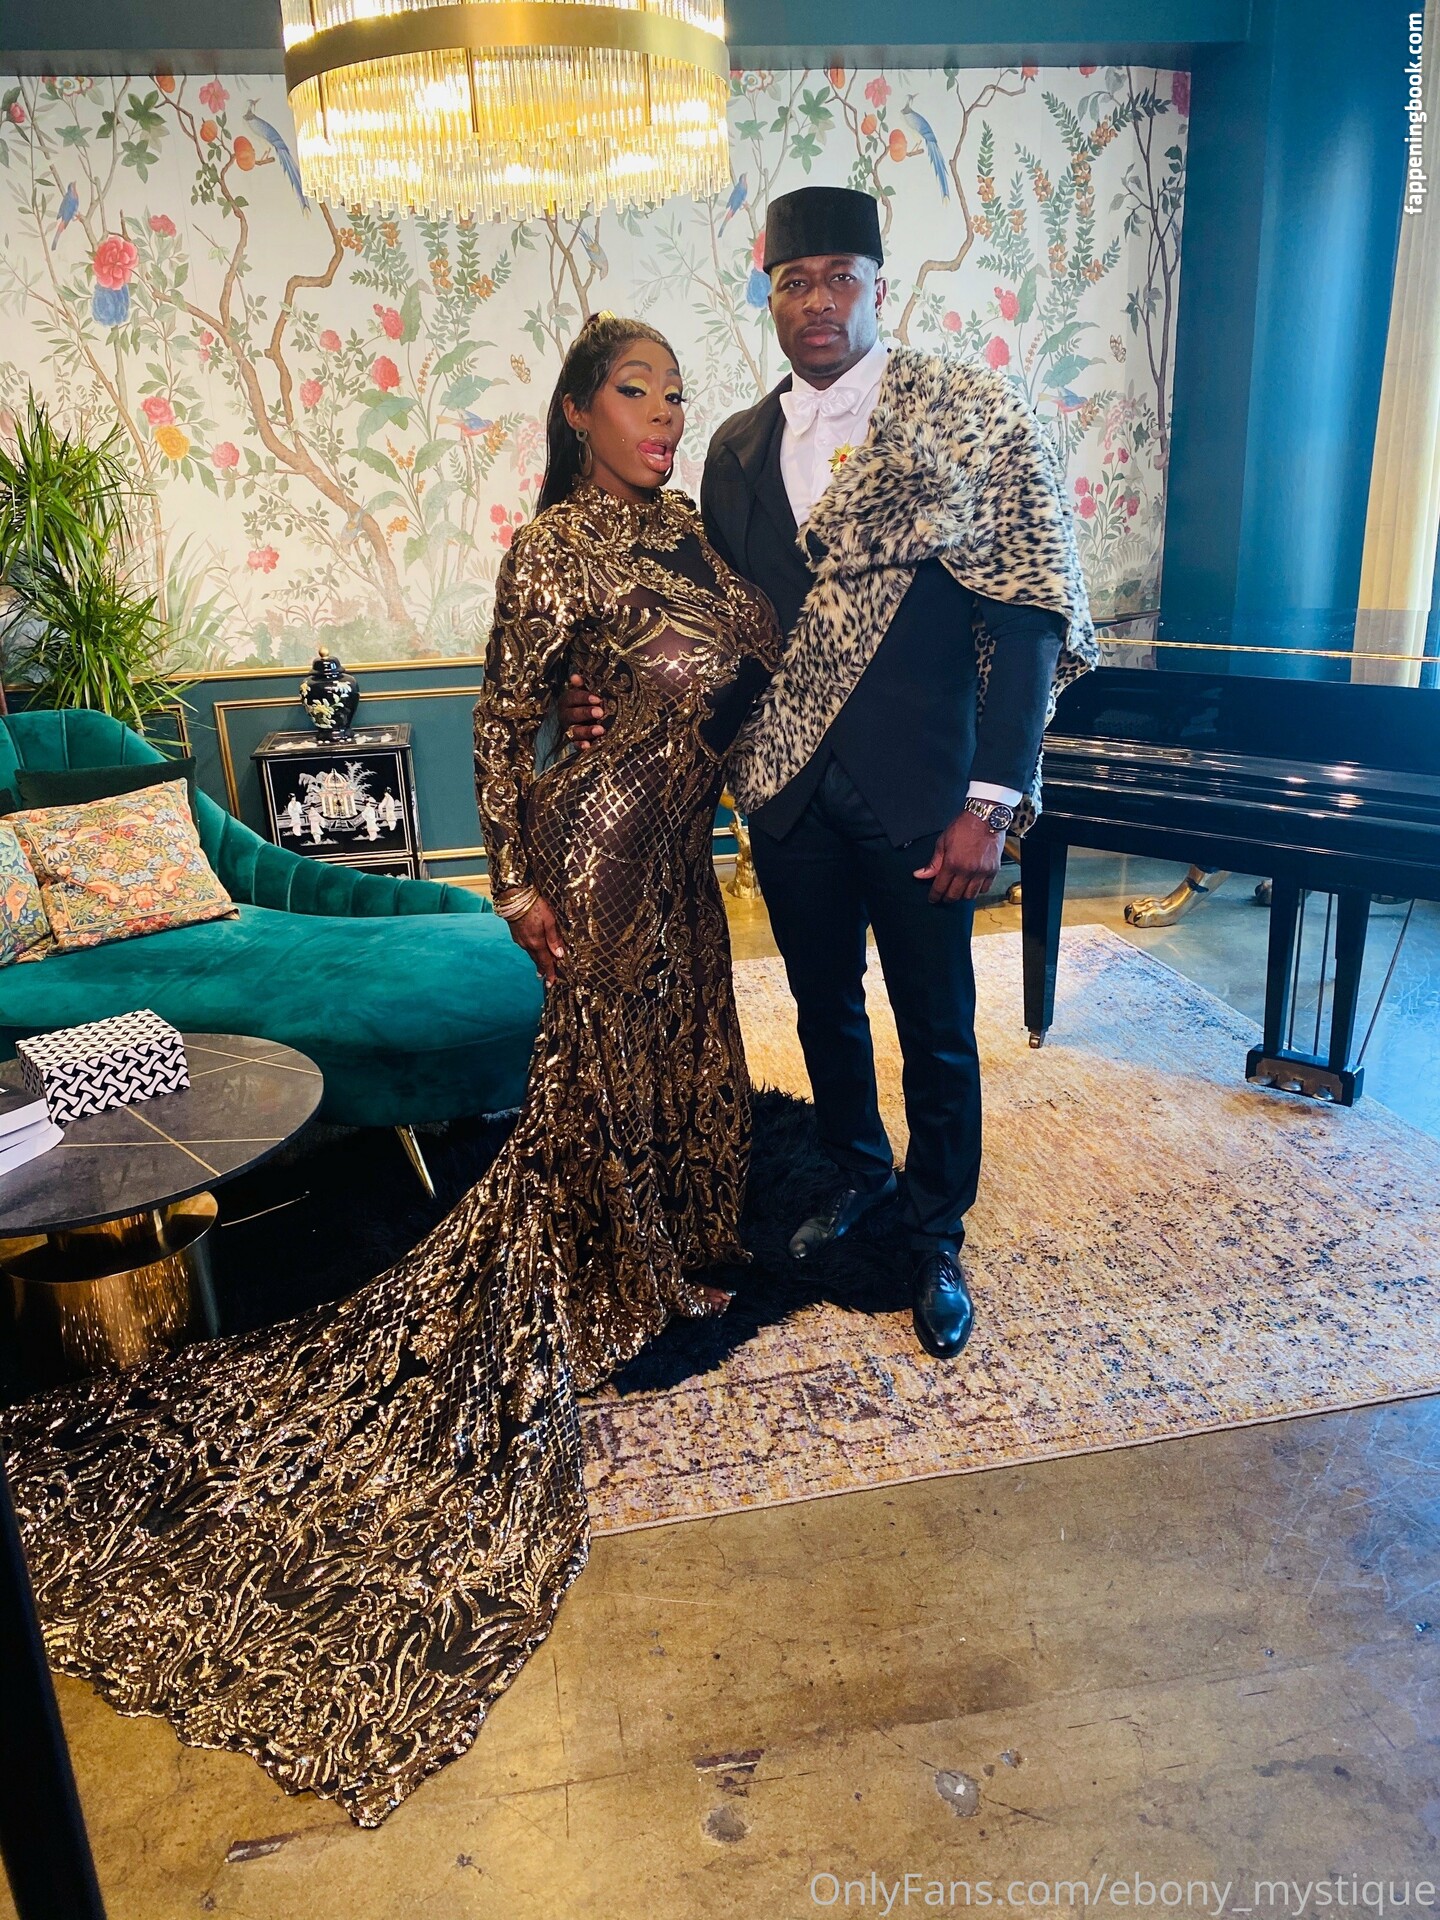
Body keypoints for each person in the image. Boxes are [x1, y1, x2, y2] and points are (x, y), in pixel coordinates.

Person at [0, 315, 781, 1827]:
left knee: (694, 1041)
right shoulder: (551, 546)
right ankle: (623, 1264)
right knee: (604, 1060)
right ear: (577, 408)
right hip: (593, 844)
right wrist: (519, 884)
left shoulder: (688, 530)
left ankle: (690, 1235)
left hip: (684, 846)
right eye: (637, 393)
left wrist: (684, 672)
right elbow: (500, 716)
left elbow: (750, 639)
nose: (665, 417)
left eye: (679, 395)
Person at [561, 186, 1097, 1361]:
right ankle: (860, 1174)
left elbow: (1026, 617)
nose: (817, 301)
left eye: (840, 277)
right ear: (768, 294)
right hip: (787, 788)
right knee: (822, 1006)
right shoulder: (735, 447)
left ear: (878, 286)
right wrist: (597, 692)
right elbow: (714, 630)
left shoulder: (964, 417)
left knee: (938, 1024)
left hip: (925, 792)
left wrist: (992, 802)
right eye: (794, 281)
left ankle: (936, 1230)